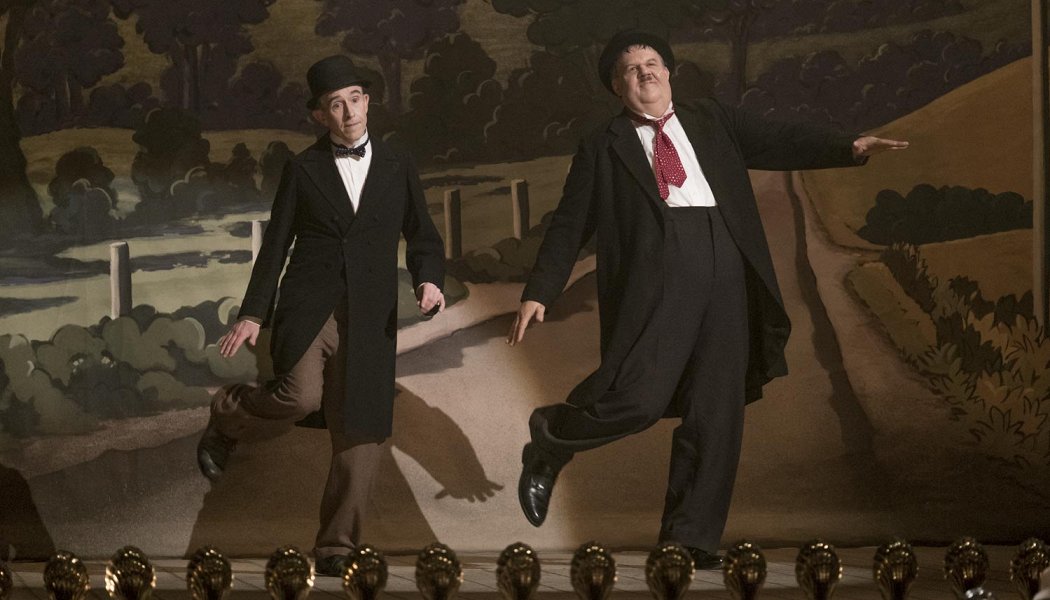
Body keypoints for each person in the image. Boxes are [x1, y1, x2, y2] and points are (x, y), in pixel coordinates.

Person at [506, 30, 907, 569]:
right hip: (658, 282)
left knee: (715, 411)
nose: (645, 72)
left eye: (653, 62)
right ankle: (553, 439)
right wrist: (540, 290)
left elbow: (780, 138)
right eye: (631, 69)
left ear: (669, 72)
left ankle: (687, 540)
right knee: (638, 398)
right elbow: (570, 222)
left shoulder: (712, 119)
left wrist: (848, 147)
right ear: (616, 87)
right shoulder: (603, 144)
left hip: (728, 271)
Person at [196, 55, 446, 576]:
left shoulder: (398, 164)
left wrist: (429, 280)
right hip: (309, 306)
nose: (348, 112)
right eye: (335, 104)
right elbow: (275, 244)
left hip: (371, 315)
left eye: (355, 99)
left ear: (368, 102)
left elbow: (422, 234)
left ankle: (337, 545)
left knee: (361, 429)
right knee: (301, 396)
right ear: (319, 115)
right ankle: (229, 410)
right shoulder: (302, 168)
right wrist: (253, 313)